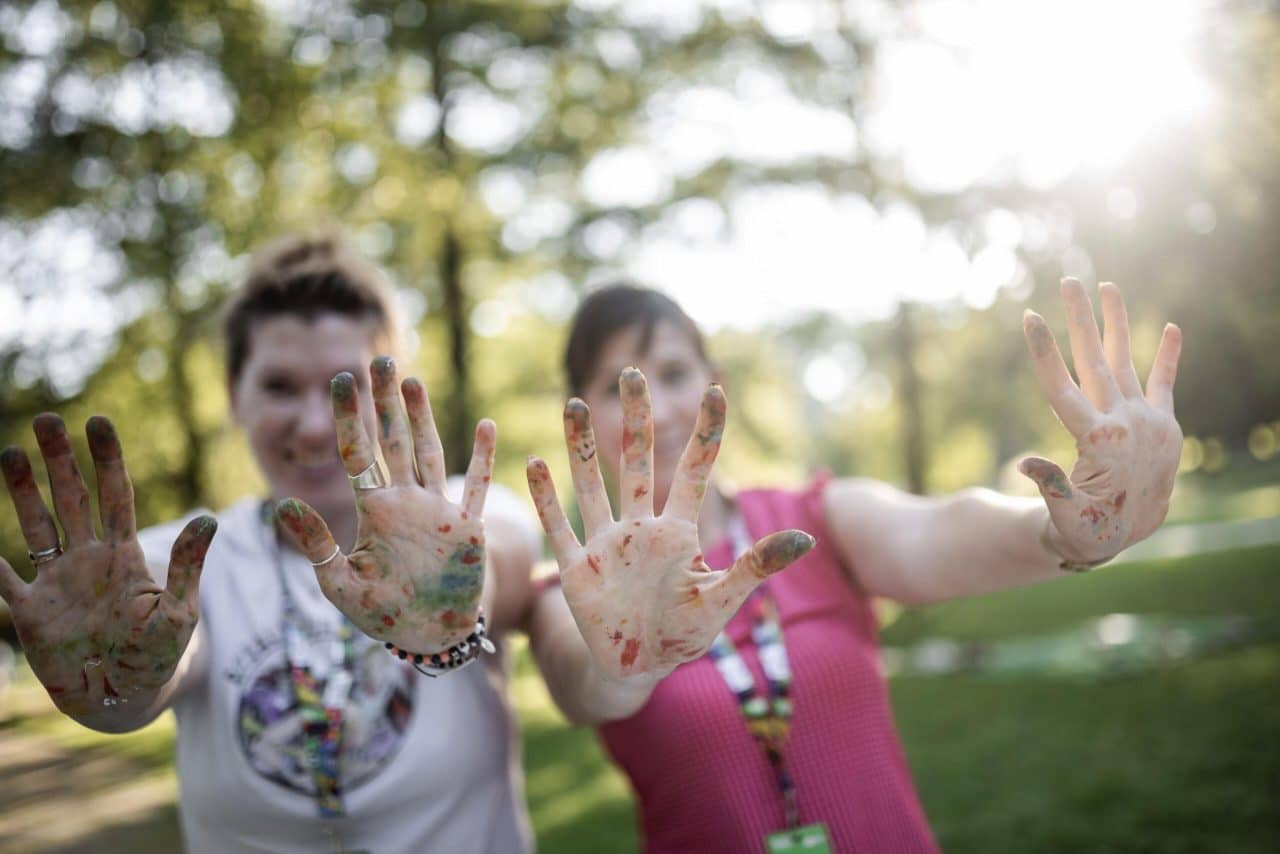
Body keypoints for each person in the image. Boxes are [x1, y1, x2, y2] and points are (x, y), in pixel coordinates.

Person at [520, 279, 1183, 853]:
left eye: (672, 374)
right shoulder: (577, 595)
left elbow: (936, 530)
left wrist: (1058, 531)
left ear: (711, 381)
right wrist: (629, 657)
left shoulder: (809, 522)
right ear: (577, 410)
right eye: (616, 387)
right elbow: (584, 685)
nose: (654, 411)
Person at [0, 233, 542, 853]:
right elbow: (161, 650)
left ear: (388, 396)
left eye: (345, 388)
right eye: (281, 387)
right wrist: (126, 672)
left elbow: (502, 564)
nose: (316, 425)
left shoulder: (465, 519)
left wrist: (455, 606)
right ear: (235, 396)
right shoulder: (191, 560)